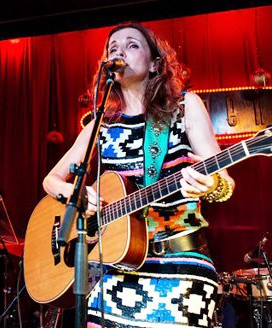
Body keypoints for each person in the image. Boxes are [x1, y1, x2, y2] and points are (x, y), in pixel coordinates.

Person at [43, 22, 235, 327]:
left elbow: (225, 182)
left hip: (180, 266)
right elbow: (51, 180)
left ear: (156, 63)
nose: (119, 50)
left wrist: (211, 184)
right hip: (114, 268)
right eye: (113, 47)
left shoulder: (184, 107)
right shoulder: (101, 124)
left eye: (132, 45)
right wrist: (76, 194)